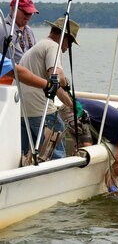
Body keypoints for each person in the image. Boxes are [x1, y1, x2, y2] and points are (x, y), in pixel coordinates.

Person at [19, 17, 92, 160]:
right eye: (70, 42)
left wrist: (75, 108)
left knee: (27, 154)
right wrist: (64, 81)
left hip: (22, 112)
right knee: (56, 151)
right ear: (62, 36)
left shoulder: (38, 47)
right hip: (41, 110)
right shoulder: (53, 47)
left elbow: (55, 88)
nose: (68, 47)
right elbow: (55, 77)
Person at [0, 0, 39, 84]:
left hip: (26, 80)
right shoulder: (4, 30)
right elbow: (18, 61)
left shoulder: (29, 30)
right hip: (10, 83)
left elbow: (35, 56)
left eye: (31, 13)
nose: (28, 16)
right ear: (13, 9)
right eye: (26, 12)